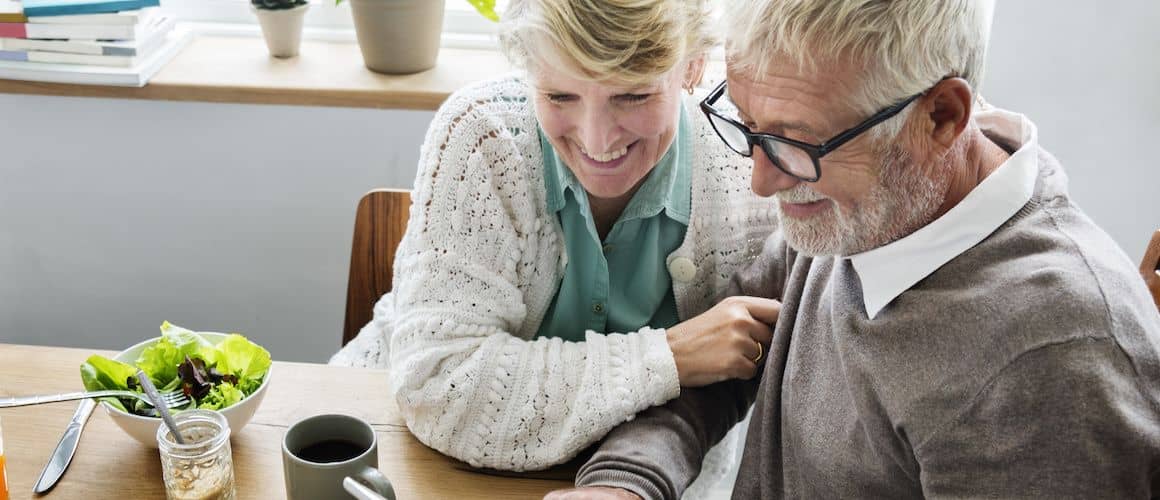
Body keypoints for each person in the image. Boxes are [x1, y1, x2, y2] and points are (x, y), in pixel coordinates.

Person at [554, 0, 1160, 498]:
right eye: (747, 125)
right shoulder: (867, 206)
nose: (762, 181)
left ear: (943, 116)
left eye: (798, 144)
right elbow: (715, 366)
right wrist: (623, 485)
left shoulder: (1056, 362)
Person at [330, 0, 780, 495]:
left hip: (646, 481)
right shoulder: (481, 136)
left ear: (692, 66)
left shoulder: (751, 178)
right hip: (399, 451)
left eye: (632, 96)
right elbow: (440, 387)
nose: (596, 139)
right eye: (560, 95)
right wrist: (670, 356)